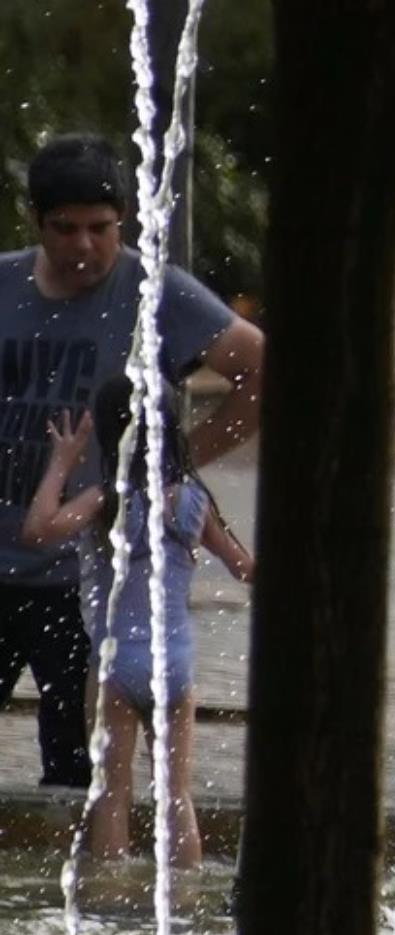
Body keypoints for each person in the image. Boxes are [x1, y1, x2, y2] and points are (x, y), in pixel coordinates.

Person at [0, 134, 263, 789]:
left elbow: (260, 369)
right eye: (66, 229)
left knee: (81, 775)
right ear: (36, 221)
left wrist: (174, 461)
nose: (85, 246)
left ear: (123, 221)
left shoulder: (155, 292)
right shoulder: (5, 285)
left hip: (87, 582)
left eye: (101, 228)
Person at [22, 378, 252, 867]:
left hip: (116, 667)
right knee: (177, 795)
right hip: (176, 667)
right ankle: (185, 893)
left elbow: (37, 530)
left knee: (112, 793)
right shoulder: (193, 501)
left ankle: (112, 894)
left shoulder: (106, 501)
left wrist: (62, 462)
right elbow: (244, 568)